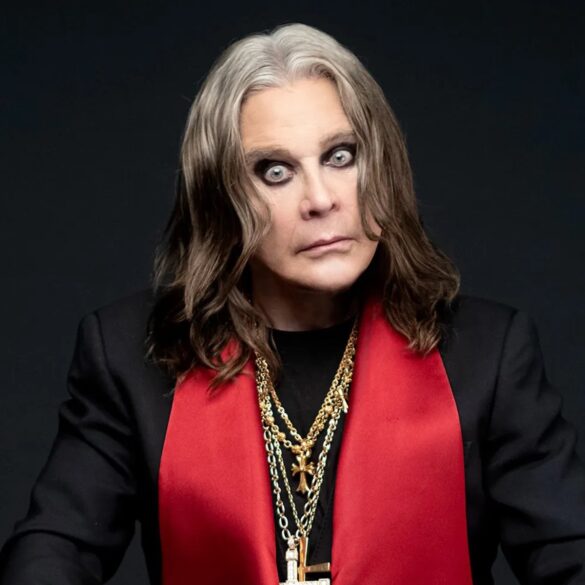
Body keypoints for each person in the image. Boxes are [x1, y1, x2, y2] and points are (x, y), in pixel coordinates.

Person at [1, 21, 585, 585]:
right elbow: (53, 551)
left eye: (340, 156)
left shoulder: (488, 354)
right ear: (222, 198)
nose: (321, 199)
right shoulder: (130, 354)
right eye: (275, 171)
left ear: (379, 165)